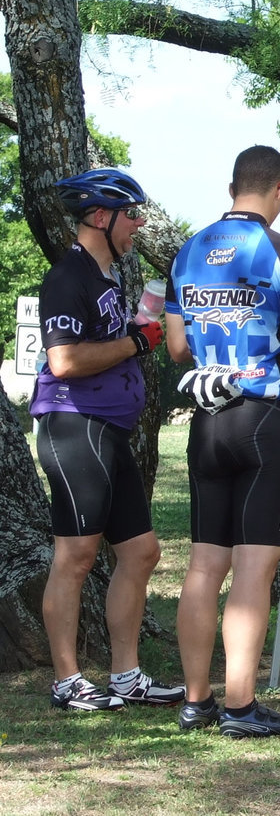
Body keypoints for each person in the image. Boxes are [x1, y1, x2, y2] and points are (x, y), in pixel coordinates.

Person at [165, 145, 280, 738]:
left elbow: (178, 349)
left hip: (208, 424)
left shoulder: (188, 251)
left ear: (232, 185)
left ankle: (195, 700)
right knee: (254, 569)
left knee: (205, 564)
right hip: (268, 420)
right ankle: (239, 706)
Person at [33, 167, 184, 712]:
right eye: (132, 215)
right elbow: (65, 360)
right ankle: (67, 680)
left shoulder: (107, 279)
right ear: (102, 217)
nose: (138, 225)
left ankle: (126, 676)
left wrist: (138, 331)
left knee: (142, 552)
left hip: (109, 429)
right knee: (75, 555)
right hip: (74, 425)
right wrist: (138, 341)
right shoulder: (66, 278)